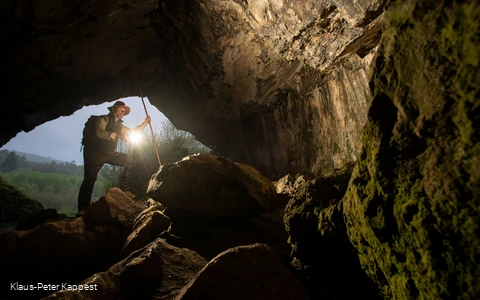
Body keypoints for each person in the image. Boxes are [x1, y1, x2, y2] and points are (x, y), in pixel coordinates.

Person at [77, 101, 151, 217]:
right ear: (113, 109)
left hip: (108, 153)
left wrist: (145, 123)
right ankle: (82, 209)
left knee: (130, 161)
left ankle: (125, 191)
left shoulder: (119, 126)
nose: (123, 111)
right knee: (90, 178)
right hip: (94, 154)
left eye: (124, 110)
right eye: (121, 108)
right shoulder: (103, 119)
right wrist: (117, 135)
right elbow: (99, 133)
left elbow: (132, 131)